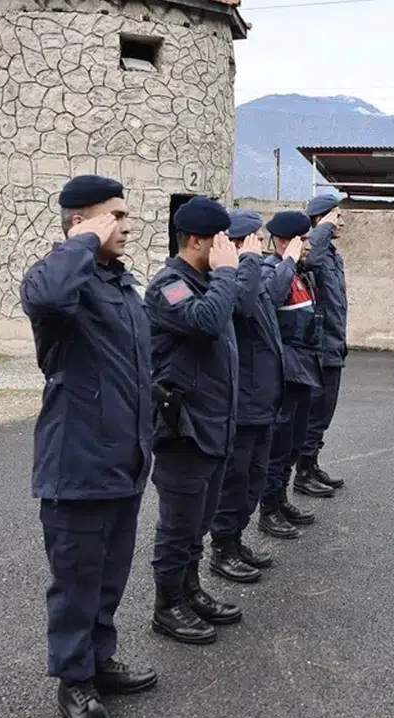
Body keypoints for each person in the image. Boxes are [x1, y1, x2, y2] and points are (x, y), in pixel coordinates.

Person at [20, 174, 157, 718]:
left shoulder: (118, 285)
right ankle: (73, 680)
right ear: (82, 221)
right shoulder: (59, 282)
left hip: (124, 459)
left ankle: (100, 660)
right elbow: (46, 294)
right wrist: (81, 241)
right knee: (76, 580)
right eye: (115, 216)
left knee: (109, 575)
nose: (127, 225)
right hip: (76, 460)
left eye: (125, 215)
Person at [145, 195, 246, 645]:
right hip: (183, 428)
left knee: (200, 520)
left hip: (214, 424)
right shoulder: (169, 284)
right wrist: (227, 272)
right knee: (178, 524)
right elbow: (205, 322)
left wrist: (224, 274)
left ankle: (190, 589)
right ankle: (167, 605)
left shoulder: (208, 280)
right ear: (195, 241)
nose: (228, 248)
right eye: (220, 240)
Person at [206, 210, 285, 584]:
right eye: (252, 239)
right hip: (245, 403)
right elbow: (244, 307)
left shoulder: (253, 276)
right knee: (235, 479)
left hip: (264, 400)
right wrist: (248, 259)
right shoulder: (230, 280)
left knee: (253, 477)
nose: (259, 245)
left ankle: (235, 539)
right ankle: (222, 546)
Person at [258, 210, 326, 537]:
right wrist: (287, 260)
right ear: (287, 241)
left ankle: (281, 499)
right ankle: (268, 508)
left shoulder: (299, 272)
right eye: (304, 240)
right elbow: (269, 298)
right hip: (284, 370)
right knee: (279, 442)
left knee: (294, 442)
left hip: (303, 367)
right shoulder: (271, 270)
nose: (309, 246)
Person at [295, 194, 348, 494]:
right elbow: (310, 257)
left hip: (333, 341)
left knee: (325, 412)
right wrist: (324, 226)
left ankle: (311, 464)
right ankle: (302, 473)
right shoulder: (314, 251)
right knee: (316, 413)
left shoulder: (333, 254)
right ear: (320, 220)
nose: (341, 221)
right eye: (335, 216)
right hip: (319, 345)